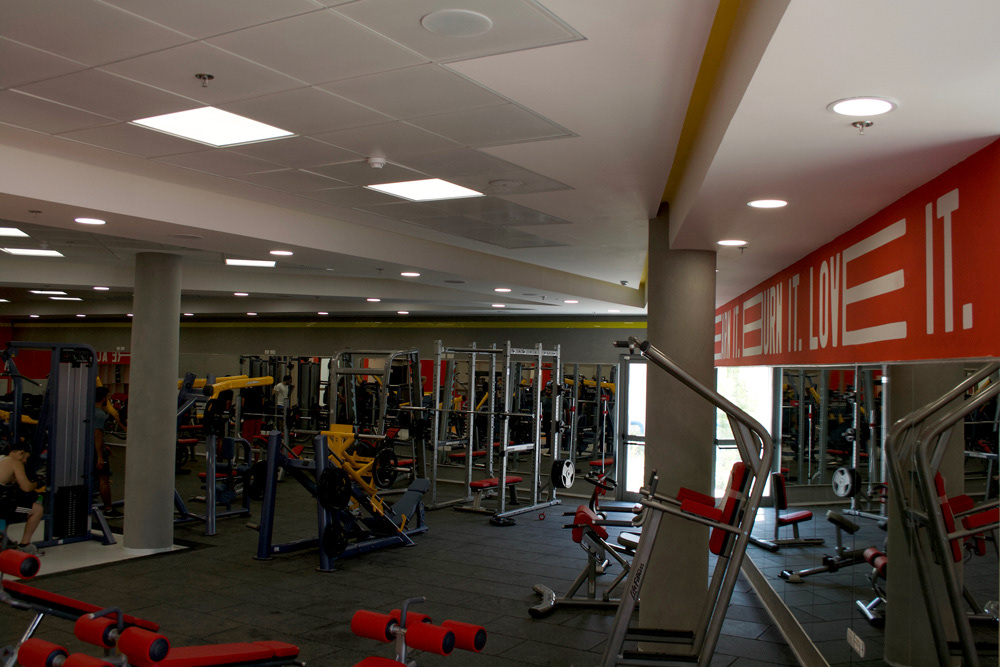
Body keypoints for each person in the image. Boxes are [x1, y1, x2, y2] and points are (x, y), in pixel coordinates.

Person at [0, 441, 44, 554]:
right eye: (26, 457)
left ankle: (3, 539)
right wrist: (37, 483)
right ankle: (25, 545)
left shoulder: (2, 459)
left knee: (10, 505)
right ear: (21, 453)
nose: (25, 461)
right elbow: (26, 487)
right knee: (37, 509)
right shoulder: (15, 463)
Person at [93, 387, 119, 517]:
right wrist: (100, 456)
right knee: (103, 479)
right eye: (108, 397)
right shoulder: (100, 415)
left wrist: (104, 446)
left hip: (89, 449)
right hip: (95, 451)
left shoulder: (88, 412)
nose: (108, 400)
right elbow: (97, 435)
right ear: (104, 398)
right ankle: (108, 509)